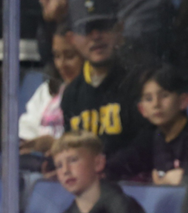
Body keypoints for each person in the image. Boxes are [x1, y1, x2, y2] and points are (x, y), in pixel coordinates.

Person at [61, 0, 142, 155]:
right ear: (71, 39)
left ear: (120, 29)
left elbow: (146, 144)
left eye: (103, 26)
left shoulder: (139, 82)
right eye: (86, 29)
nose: (96, 36)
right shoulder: (71, 95)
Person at [49, 131, 154, 213]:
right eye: (59, 165)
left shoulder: (123, 207)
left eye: (73, 160)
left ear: (98, 163)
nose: (65, 171)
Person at [106, 65, 188, 184]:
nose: (156, 104)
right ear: (142, 109)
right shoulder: (150, 138)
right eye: (149, 99)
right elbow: (117, 165)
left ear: (183, 101)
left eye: (164, 95)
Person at [20, 28, 85, 156]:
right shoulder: (47, 90)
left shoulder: (92, 93)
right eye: (57, 56)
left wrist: (55, 144)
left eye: (70, 56)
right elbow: (25, 132)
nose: (62, 64)